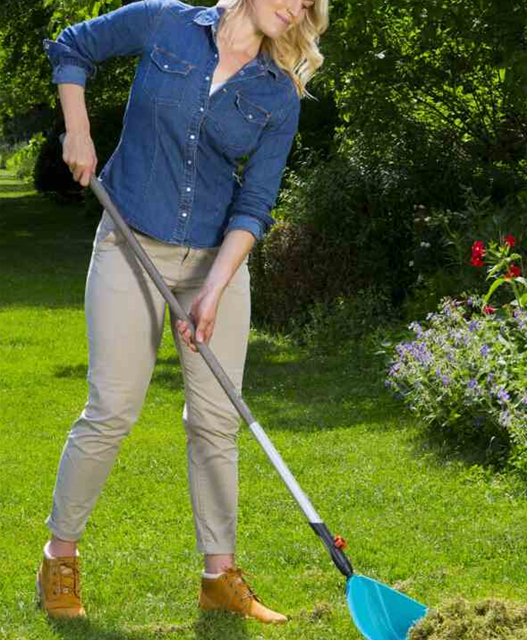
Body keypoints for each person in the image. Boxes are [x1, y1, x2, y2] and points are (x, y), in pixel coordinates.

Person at [37, 0, 327, 623]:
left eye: (308, 3)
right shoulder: (165, 22)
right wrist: (78, 128)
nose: (298, 8)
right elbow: (70, 47)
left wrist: (216, 287)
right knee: (112, 407)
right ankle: (60, 558)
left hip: (215, 260)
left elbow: (255, 203)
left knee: (216, 423)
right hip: (131, 240)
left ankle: (219, 578)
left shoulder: (278, 93)